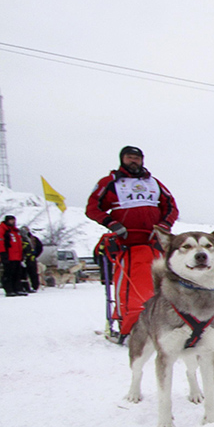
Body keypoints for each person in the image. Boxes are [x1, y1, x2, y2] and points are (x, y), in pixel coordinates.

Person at [86, 146, 179, 342]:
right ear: (122, 159)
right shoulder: (110, 183)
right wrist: (112, 224)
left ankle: (168, 322)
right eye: (130, 158)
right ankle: (128, 322)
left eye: (137, 158)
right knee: (130, 286)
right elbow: (92, 208)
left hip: (154, 243)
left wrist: (163, 227)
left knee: (164, 284)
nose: (133, 161)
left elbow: (171, 207)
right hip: (127, 244)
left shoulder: (154, 183)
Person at [0, 215, 27, 297]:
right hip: (9, 255)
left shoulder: (15, 231)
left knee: (18, 273)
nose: (13, 222)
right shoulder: (3, 230)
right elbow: (0, 242)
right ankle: (9, 289)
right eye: (11, 220)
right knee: (8, 273)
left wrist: (21, 253)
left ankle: (18, 288)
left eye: (13, 220)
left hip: (17, 256)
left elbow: (19, 244)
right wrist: (2, 253)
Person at [19, 226, 43, 292]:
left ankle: (35, 286)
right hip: (23, 259)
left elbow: (39, 247)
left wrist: (35, 255)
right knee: (23, 274)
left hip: (32, 259)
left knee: (33, 273)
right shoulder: (19, 238)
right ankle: (25, 287)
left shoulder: (33, 239)